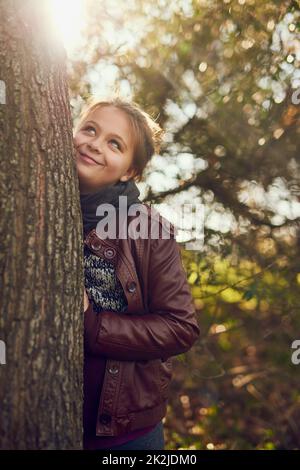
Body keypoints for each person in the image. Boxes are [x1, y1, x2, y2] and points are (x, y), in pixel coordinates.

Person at [73, 96, 200, 450]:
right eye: (90, 130)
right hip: (40, 416)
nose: (95, 144)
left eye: (115, 144)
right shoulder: (30, 199)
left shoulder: (148, 230)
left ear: (130, 170)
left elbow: (181, 327)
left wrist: (94, 326)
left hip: (124, 433)